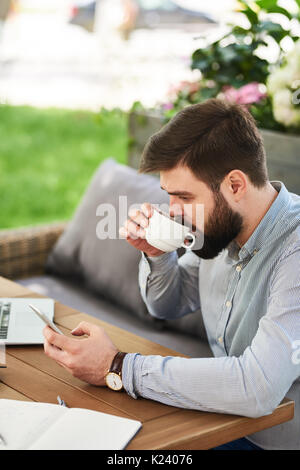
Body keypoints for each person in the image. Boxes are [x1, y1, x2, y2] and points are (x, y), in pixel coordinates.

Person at [43, 99, 300, 450]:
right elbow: (170, 305)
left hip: (271, 440)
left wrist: (117, 366)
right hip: (219, 420)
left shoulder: (294, 250)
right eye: (169, 196)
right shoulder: (220, 231)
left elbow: (257, 387)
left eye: (183, 196)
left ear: (236, 185)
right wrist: (157, 254)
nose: (173, 210)